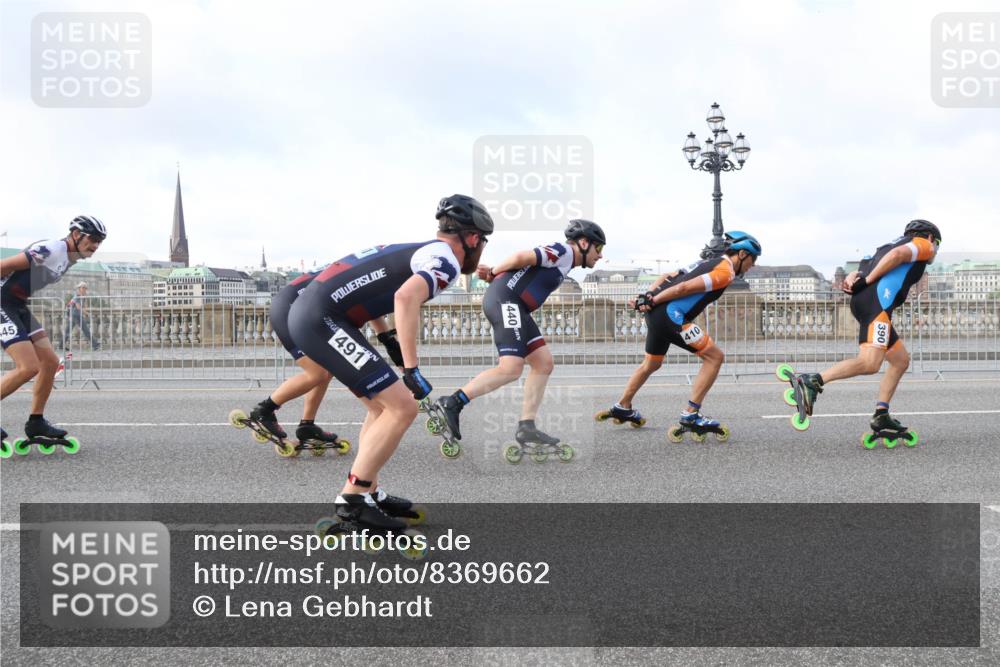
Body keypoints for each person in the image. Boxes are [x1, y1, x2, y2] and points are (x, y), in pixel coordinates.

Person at [265, 194, 491, 531]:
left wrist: (392, 346)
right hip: (321, 319)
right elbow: (405, 297)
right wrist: (411, 369)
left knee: (381, 408)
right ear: (473, 238)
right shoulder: (446, 261)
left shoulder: (423, 250)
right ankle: (353, 501)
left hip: (318, 313)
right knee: (402, 408)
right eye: (484, 242)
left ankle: (367, 491)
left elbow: (370, 293)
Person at [430, 219, 606, 458]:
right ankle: (453, 402)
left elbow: (523, 271)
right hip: (507, 302)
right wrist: (493, 273)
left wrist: (495, 275)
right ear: (584, 243)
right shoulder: (564, 251)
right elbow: (522, 257)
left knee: (543, 363)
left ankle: (527, 427)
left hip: (516, 306)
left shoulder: (566, 263)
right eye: (599, 249)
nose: (600, 256)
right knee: (511, 368)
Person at [784, 220, 941, 443]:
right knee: (870, 363)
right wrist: (868, 280)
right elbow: (897, 256)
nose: (934, 253)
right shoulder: (923, 244)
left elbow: (857, 271)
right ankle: (812, 381)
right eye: (937, 246)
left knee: (900, 360)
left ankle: (881, 415)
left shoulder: (883, 247)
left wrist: (854, 278)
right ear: (931, 238)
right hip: (878, 305)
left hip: (865, 303)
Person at [600, 231, 761, 440]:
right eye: (753, 259)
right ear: (741, 254)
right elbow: (683, 287)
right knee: (715, 357)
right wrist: (653, 300)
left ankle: (623, 406)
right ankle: (691, 415)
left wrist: (647, 297)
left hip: (656, 315)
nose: (753, 265)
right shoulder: (725, 271)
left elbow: (667, 276)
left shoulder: (706, 262)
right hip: (670, 316)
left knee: (651, 364)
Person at [237, 267, 395, 455]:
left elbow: (371, 311)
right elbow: (372, 310)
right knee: (318, 372)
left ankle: (307, 426)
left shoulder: (368, 273)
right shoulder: (374, 277)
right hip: (293, 309)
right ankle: (264, 411)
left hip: (300, 307)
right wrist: (388, 340)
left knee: (326, 369)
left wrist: (388, 339)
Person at [0, 216, 107, 448]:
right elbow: (5, 266)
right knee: (28, 367)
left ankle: (36, 422)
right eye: (93, 239)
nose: (96, 246)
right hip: (2, 302)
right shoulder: (51, 249)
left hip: (17, 305)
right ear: (76, 235)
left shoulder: (70, 259)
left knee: (49, 362)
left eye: (100, 241)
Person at [63, 281, 100, 351]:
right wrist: (87, 313)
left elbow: (85, 306)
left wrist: (85, 298)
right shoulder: (77, 296)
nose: (84, 289)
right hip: (75, 315)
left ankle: (61, 345)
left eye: (85, 288)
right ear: (79, 288)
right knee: (85, 330)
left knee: (68, 331)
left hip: (75, 314)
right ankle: (95, 344)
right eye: (82, 288)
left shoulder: (82, 296)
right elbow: (78, 307)